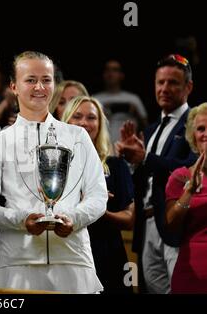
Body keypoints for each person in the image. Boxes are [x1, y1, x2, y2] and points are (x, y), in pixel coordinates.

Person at [0, 51, 108, 293]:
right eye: (31, 79)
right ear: (14, 86)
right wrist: (21, 219)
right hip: (18, 261)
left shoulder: (78, 136)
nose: (39, 87)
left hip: (73, 258)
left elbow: (99, 196)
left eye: (46, 79)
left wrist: (74, 219)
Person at [116, 54, 197, 293]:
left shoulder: (197, 124)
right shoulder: (150, 130)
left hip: (177, 224)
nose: (164, 88)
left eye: (173, 82)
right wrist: (130, 161)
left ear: (188, 87)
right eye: (160, 82)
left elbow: (189, 168)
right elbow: (146, 175)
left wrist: (145, 158)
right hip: (147, 223)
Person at [62, 96, 134, 293]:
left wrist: (96, 208)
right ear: (66, 121)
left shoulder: (116, 166)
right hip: (66, 251)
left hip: (107, 252)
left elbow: (129, 219)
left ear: (100, 124)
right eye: (77, 116)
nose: (84, 122)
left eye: (91, 117)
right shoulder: (54, 165)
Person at [165, 102, 207, 293]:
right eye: (201, 129)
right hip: (191, 275)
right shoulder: (180, 176)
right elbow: (171, 224)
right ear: (193, 136)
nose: (206, 134)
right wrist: (189, 191)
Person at [93, 59, 147, 144]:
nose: (111, 73)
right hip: (103, 147)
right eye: (107, 70)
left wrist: (135, 113)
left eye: (115, 70)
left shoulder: (133, 99)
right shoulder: (96, 99)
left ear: (122, 75)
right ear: (103, 74)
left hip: (129, 148)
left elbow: (146, 126)